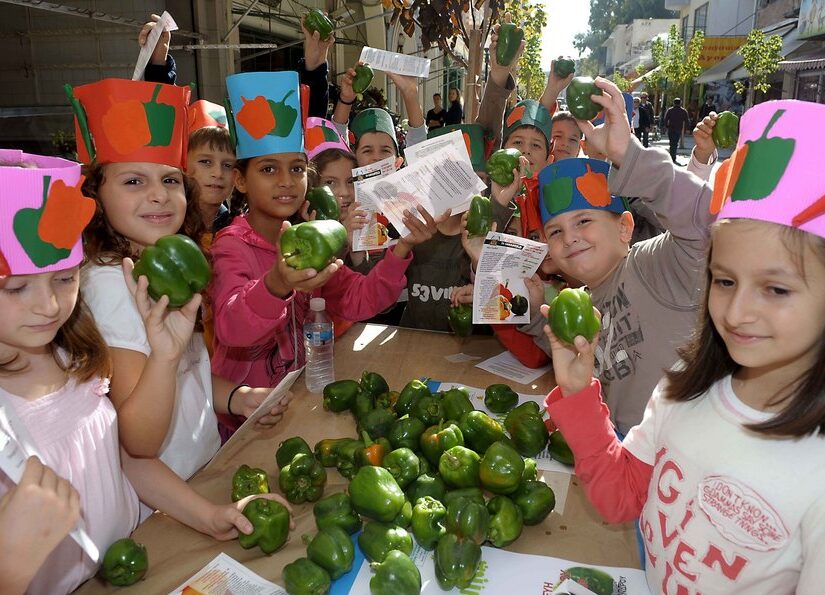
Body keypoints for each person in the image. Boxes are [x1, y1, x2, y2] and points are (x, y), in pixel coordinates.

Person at [541, 98, 825, 593]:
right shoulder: (679, 392)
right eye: (724, 281)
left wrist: (630, 158)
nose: (736, 313)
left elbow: (698, 222)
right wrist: (580, 392)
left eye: (776, 289)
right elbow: (620, 496)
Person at [0, 150, 293, 594]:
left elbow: (120, 458)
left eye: (63, 278)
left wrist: (206, 515)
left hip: (133, 554)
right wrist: (11, 563)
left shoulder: (71, 360)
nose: (49, 305)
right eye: (18, 287)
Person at [68, 78, 290, 478]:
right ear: (95, 195)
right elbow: (138, 440)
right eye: (134, 181)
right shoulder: (110, 286)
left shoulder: (160, 263)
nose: (158, 195)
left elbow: (187, 371)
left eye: (170, 180)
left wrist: (236, 397)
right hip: (166, 494)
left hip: (200, 467)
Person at [210, 71, 445, 389]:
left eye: (296, 168)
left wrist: (402, 248)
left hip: (299, 395)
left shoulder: (309, 241)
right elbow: (231, 327)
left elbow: (361, 299)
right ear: (239, 179)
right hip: (246, 417)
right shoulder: (230, 245)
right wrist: (277, 282)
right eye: (268, 169)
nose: (286, 181)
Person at [520, 78, 715, 434]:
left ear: (625, 228)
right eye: (555, 232)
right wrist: (535, 314)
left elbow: (705, 224)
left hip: (681, 454)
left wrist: (629, 157)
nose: (571, 237)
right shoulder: (583, 299)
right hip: (620, 447)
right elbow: (579, 353)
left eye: (583, 221)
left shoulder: (657, 263)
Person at [663, 97, 690, 163]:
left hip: (671, 129)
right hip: (678, 129)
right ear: (680, 103)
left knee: (672, 143)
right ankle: (673, 157)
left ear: (673, 103)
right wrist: (687, 129)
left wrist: (666, 126)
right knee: (675, 143)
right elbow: (687, 121)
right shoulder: (683, 111)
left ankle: (672, 156)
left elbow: (665, 119)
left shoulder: (670, 110)